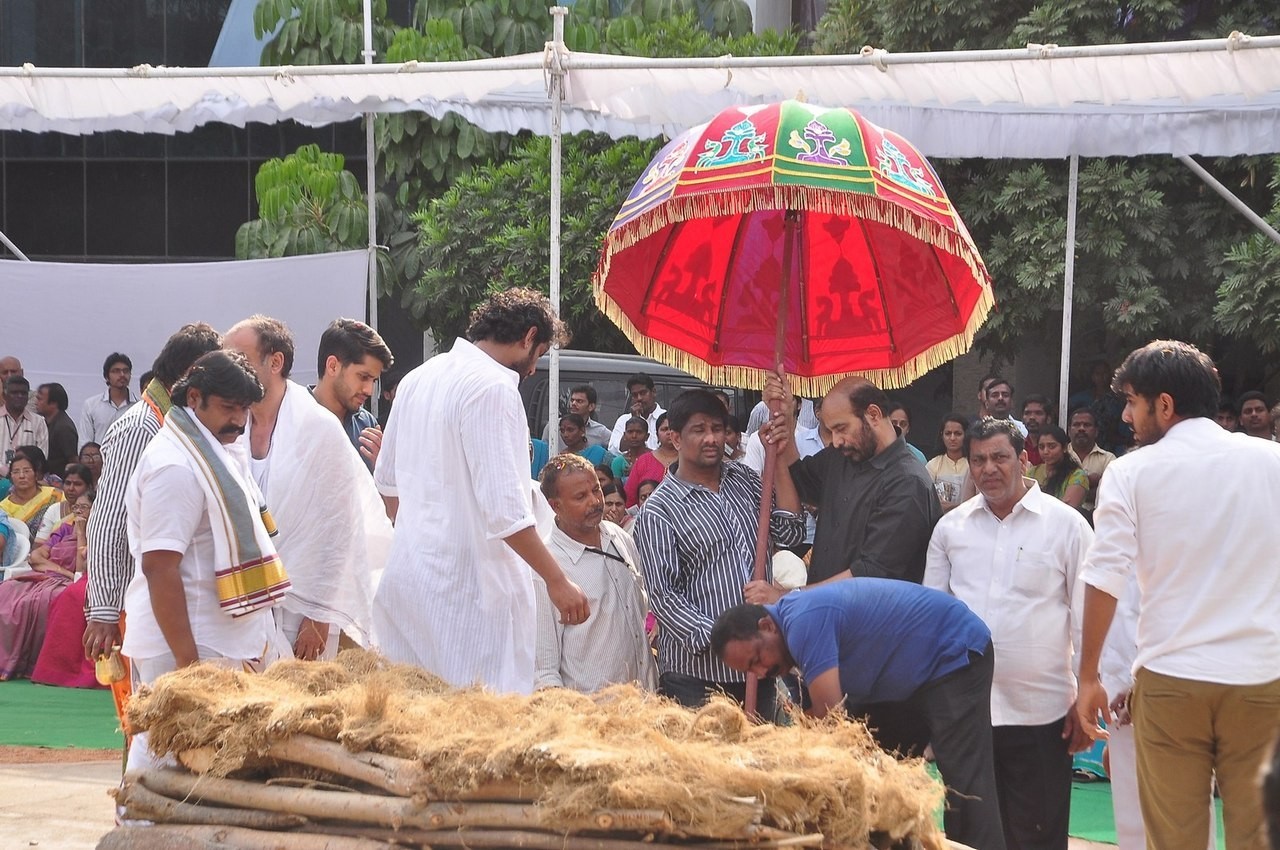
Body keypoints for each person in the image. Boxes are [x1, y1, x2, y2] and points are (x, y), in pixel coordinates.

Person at [1075, 340, 1280, 850]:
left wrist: (1088, 676)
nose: (1126, 416)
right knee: (1259, 836)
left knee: (1173, 840)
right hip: (1262, 679)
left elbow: (1105, 577)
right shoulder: (1272, 460)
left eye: (1131, 402)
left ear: (1164, 405)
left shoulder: (1131, 471)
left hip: (1171, 682)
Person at [372, 288, 589, 694]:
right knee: (477, 722)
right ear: (528, 337)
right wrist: (558, 581)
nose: (534, 368)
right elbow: (505, 513)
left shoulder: (418, 378)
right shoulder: (493, 388)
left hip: (409, 583)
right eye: (539, 354)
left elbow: (387, 486)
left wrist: (423, 540)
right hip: (469, 599)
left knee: (412, 717)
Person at [711, 580, 1006, 850]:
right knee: (882, 776)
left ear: (767, 626)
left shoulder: (803, 621)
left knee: (964, 783)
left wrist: (777, 757)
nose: (762, 672)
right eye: (751, 670)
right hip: (904, 678)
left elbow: (831, 718)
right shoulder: (789, 636)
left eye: (757, 658)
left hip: (953, 649)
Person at [926, 417, 1094, 850]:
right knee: (968, 836)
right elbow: (933, 623)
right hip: (968, 714)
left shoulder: (1067, 525)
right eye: (978, 460)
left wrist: (1087, 694)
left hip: (1042, 712)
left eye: (999, 457)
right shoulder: (950, 529)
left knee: (1037, 835)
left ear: (1022, 459)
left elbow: (1087, 617)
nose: (988, 469)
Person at [120, 349, 291, 774]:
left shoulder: (214, 449)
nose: (238, 420)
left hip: (211, 639)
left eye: (244, 409)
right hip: (185, 643)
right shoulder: (175, 465)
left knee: (206, 767)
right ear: (194, 398)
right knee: (164, 760)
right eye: (229, 408)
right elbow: (159, 567)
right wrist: (189, 665)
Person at [225, 315, 393, 660]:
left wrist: (319, 616)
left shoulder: (319, 428)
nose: (229, 368)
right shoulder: (232, 426)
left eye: (240, 359)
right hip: (243, 604)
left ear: (275, 362)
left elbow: (343, 527)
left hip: (302, 610)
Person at [634, 388, 804, 710]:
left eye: (717, 428)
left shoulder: (746, 479)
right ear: (675, 438)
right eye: (699, 430)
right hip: (696, 678)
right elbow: (663, 596)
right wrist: (728, 640)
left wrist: (778, 458)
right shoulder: (659, 510)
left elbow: (791, 531)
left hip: (759, 667)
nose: (711, 438)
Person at [82, 323, 223, 683]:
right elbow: (109, 520)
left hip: (167, 597)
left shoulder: (170, 420)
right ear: (191, 374)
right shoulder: (141, 426)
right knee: (147, 713)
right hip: (142, 600)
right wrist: (104, 610)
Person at [1099, 574, 1217, 850]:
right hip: (1118, 695)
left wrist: (1142, 686)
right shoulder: (1110, 552)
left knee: (1183, 819)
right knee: (1132, 822)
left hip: (1175, 689)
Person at [534, 454, 656, 693]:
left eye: (596, 490)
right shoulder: (546, 570)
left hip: (646, 702)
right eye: (580, 497)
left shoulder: (620, 537)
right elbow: (544, 672)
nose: (595, 501)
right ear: (555, 506)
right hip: (591, 711)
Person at [0, 490, 92, 681]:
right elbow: (36, 557)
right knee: (7, 589)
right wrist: (64, 572)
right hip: (52, 576)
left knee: (42, 600)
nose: (78, 511)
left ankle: (30, 661)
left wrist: (81, 533)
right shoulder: (64, 530)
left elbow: (81, 570)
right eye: (76, 507)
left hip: (75, 582)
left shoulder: (99, 534)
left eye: (84, 507)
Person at [311, 317, 394, 472]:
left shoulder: (367, 424)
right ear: (333, 366)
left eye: (374, 381)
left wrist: (382, 469)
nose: (369, 390)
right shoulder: (291, 416)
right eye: (363, 377)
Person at [1067, 360, 1128, 453]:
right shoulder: (1083, 396)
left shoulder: (1117, 399)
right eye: (1098, 374)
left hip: (1110, 444)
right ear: (1092, 376)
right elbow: (1063, 407)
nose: (1102, 377)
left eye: (1105, 373)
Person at [1, 446, 63, 537]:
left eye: (26, 471)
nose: (21, 476)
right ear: (11, 477)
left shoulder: (55, 495)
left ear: (36, 474)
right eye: (16, 472)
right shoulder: (3, 508)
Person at [78, 352, 135, 446]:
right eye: (116, 371)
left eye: (126, 371)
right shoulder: (91, 405)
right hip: (100, 455)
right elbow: (85, 441)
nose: (122, 375)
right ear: (106, 377)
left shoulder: (139, 406)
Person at [1067, 407, 1116, 517]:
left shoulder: (1108, 459)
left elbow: (1109, 494)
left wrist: (1072, 490)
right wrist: (1092, 485)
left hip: (1096, 520)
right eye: (1076, 425)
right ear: (1069, 431)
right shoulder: (1060, 455)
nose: (1081, 429)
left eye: (1087, 425)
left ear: (1096, 431)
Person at [624, 412, 677, 507]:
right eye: (664, 429)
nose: (669, 433)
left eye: (673, 429)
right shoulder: (643, 461)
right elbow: (630, 498)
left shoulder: (690, 461)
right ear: (657, 434)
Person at [1029, 425, 1088, 510]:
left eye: (1052, 446)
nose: (1045, 451)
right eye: (1041, 447)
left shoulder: (1077, 476)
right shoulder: (1032, 473)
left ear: (1064, 448)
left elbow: (1065, 510)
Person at [34, 463, 92, 545]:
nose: (71, 488)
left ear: (89, 487)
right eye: (68, 483)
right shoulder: (54, 509)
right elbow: (39, 544)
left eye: (77, 484)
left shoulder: (95, 511)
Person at [607, 373, 665, 454]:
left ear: (653, 392)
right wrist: (635, 420)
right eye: (635, 395)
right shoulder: (624, 420)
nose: (639, 398)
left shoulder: (666, 419)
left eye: (643, 393)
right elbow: (613, 450)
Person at [2, 376, 49, 474]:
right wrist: (6, 472)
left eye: (23, 393)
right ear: (4, 395)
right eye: (14, 393)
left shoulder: (39, 422)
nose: (19, 396)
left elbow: (42, 456)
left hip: (27, 478)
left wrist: (20, 473)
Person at [543, 385, 612, 452]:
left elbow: (615, 451)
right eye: (572, 400)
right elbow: (543, 452)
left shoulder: (601, 432)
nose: (573, 404)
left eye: (579, 401)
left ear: (591, 406)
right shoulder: (553, 426)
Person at [926, 413, 970, 513]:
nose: (952, 438)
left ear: (965, 435)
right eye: (948, 433)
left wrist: (954, 506)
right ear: (942, 435)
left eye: (958, 433)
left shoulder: (973, 464)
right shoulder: (933, 465)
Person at [35, 383, 78, 478]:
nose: (35, 402)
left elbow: (73, 461)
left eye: (40, 399)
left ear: (53, 403)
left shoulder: (64, 427)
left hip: (58, 481)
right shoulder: (44, 422)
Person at [883, 399, 928, 464]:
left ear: (908, 429)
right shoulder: (876, 454)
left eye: (903, 424)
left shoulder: (918, 457)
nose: (898, 427)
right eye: (893, 423)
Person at [610, 416, 648, 485]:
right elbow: (617, 489)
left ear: (647, 436)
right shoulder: (618, 462)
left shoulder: (655, 457)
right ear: (624, 435)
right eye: (630, 432)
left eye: (639, 432)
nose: (634, 436)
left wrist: (636, 472)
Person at [1020, 394, 1053, 466]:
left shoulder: (1054, 449)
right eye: (1027, 413)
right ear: (1022, 419)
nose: (1032, 417)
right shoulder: (1017, 447)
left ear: (1048, 419)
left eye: (1038, 413)